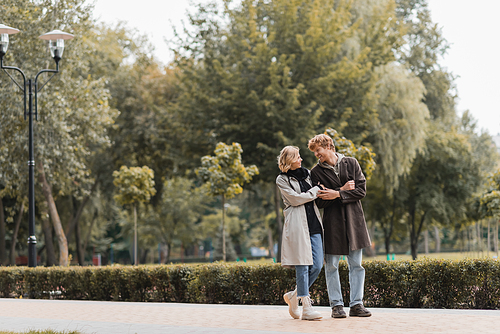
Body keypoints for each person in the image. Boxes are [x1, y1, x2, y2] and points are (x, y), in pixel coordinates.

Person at [308, 134, 372, 318]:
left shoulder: (351, 163)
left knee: (357, 265)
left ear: (328, 146)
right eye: (314, 152)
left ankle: (357, 304)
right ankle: (336, 306)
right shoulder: (316, 172)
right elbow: (320, 202)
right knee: (332, 266)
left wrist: (335, 194)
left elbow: (361, 190)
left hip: (354, 222)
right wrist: (343, 190)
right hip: (332, 223)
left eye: (318, 151)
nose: (316, 155)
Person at [276, 146, 323, 320]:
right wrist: (314, 191)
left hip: (314, 225)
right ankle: (307, 307)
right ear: (289, 160)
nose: (301, 159)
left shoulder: (308, 174)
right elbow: (295, 199)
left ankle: (293, 296)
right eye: (297, 157)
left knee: (317, 265)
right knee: (302, 265)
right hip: (297, 225)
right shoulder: (282, 179)